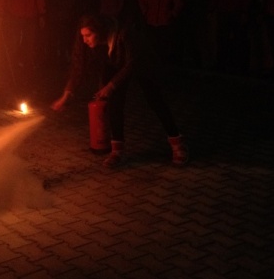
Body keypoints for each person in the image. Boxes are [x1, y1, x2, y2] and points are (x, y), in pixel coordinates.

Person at [51, 13, 189, 168]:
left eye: (89, 35)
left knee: (155, 99)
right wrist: (66, 95)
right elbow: (78, 66)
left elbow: (132, 63)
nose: (85, 40)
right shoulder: (86, 37)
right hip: (114, 61)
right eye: (83, 35)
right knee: (114, 102)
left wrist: (111, 86)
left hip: (141, 62)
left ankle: (178, 143)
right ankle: (117, 151)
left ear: (100, 31)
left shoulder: (125, 33)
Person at [0, 0, 46, 95]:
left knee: (29, 51)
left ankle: (28, 82)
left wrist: (42, 14)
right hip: (14, 18)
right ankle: (10, 82)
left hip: (30, 18)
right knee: (12, 50)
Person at [138, 0, 183, 65]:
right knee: (152, 47)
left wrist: (172, 14)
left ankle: (163, 67)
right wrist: (145, 12)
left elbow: (179, 2)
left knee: (163, 48)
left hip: (165, 22)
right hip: (151, 22)